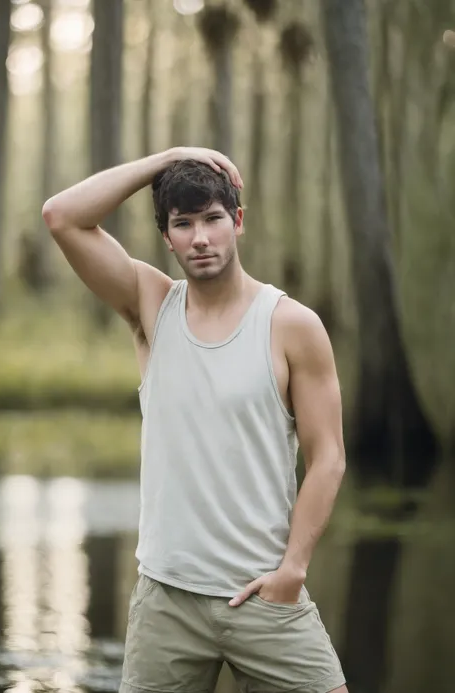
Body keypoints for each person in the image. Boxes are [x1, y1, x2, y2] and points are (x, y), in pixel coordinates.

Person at [42, 147, 348, 693]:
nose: (200, 238)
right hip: (167, 602)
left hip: (264, 594)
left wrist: (293, 569)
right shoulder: (151, 304)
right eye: (183, 224)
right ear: (167, 236)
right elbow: (62, 216)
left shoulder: (292, 325)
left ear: (238, 221)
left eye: (212, 218)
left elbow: (327, 458)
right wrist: (169, 157)